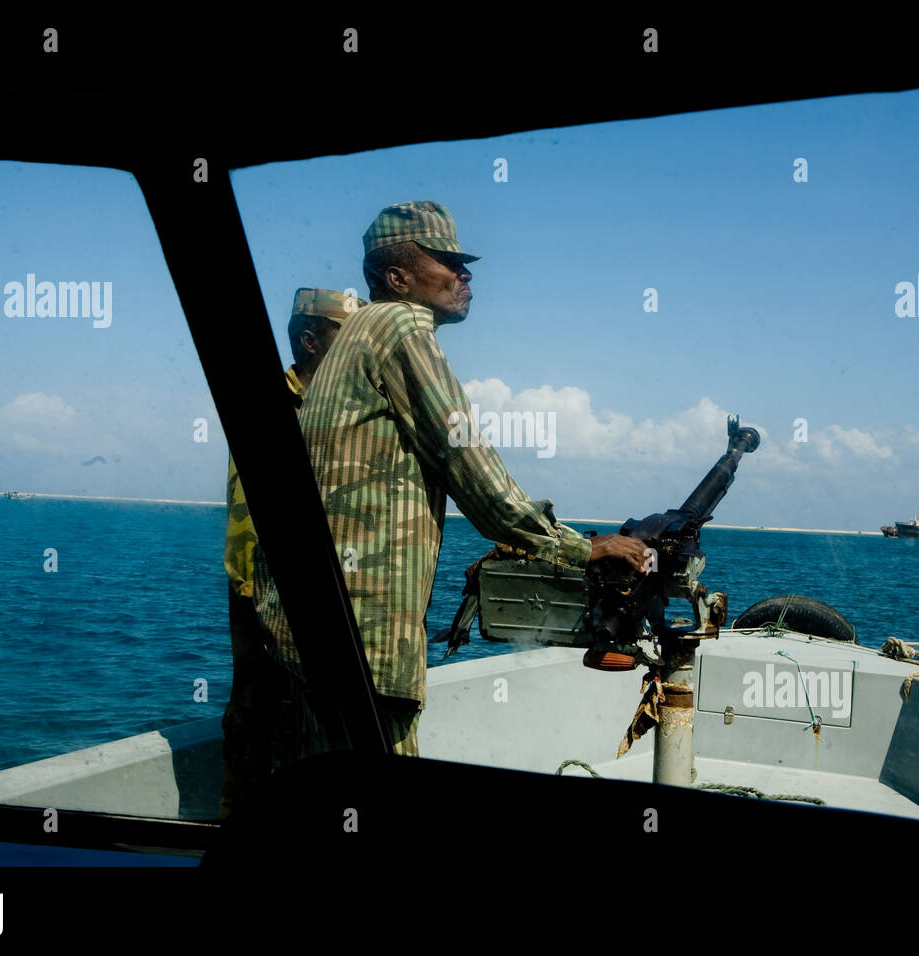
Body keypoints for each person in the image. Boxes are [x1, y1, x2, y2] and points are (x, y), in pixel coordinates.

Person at [251, 201, 649, 760]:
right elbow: (469, 462)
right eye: (448, 261)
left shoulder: (358, 332)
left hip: (313, 621)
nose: (465, 275)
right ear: (398, 278)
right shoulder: (399, 325)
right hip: (362, 629)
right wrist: (581, 547)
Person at [220, 286, 366, 819]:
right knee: (254, 712)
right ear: (309, 340)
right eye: (342, 337)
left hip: (316, 585)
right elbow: (254, 517)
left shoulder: (343, 407)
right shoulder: (268, 403)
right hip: (259, 585)